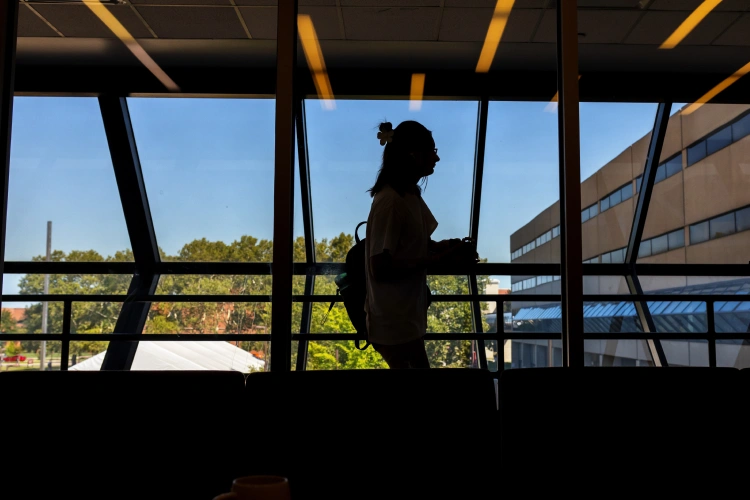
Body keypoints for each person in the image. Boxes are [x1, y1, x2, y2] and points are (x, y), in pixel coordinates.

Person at [364, 120, 477, 369]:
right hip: (394, 324)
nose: (436, 159)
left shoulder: (409, 196)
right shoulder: (391, 202)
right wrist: (437, 258)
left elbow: (418, 245)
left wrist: (446, 247)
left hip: (403, 319)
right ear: (414, 155)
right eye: (432, 152)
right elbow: (379, 267)